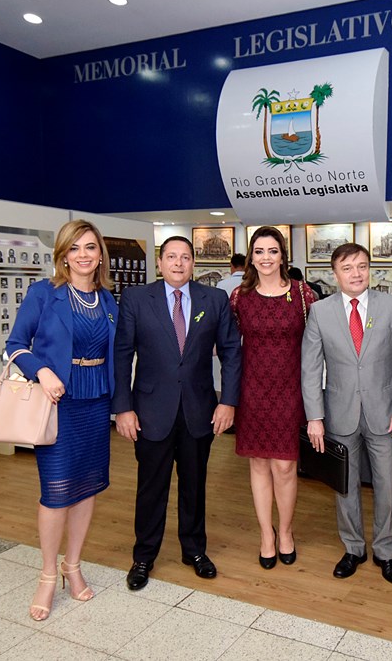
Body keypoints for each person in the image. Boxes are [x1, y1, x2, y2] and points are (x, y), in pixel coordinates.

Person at [4, 219, 118, 621]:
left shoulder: (108, 300)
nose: (83, 255)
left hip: (95, 401)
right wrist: (42, 371)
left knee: (87, 488)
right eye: (74, 248)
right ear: (63, 255)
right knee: (56, 492)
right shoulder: (44, 293)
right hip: (57, 404)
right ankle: (48, 574)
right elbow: (15, 344)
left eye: (90, 247)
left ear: (100, 255)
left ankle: (73, 565)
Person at [114, 236, 241, 588]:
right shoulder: (136, 299)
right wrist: (122, 408)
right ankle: (143, 557)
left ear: (193, 263)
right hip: (150, 411)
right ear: (160, 263)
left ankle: (194, 551)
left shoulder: (214, 299)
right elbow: (122, 355)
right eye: (171, 257)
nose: (178, 263)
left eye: (185, 257)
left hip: (199, 410)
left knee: (194, 486)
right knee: (150, 488)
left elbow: (231, 351)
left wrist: (228, 401)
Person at [301, 242, 392, 583]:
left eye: (362, 266)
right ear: (334, 274)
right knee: (345, 487)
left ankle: (386, 552)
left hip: (386, 414)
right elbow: (310, 370)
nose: (356, 274)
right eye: (347, 268)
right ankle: (353, 548)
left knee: (387, 486)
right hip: (339, 414)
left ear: (370, 269)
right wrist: (314, 417)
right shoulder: (319, 312)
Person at [230, 227, 315, 569]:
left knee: (284, 466)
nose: (266, 258)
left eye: (273, 251)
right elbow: (228, 346)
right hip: (252, 391)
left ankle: (286, 533)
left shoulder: (303, 294)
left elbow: (318, 344)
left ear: (283, 256)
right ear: (251, 257)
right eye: (259, 251)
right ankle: (267, 534)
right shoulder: (240, 296)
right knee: (259, 464)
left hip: (290, 390)